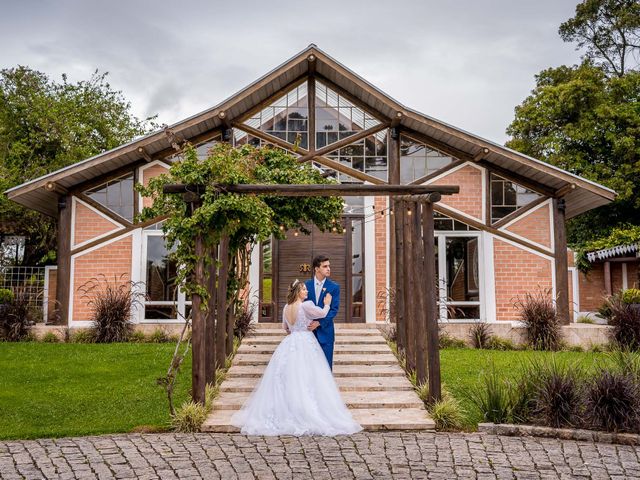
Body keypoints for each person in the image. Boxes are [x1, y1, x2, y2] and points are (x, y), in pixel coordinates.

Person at [231, 280, 361, 436]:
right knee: (308, 377)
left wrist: (295, 332)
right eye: (304, 289)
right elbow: (323, 314)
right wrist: (327, 303)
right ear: (298, 292)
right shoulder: (306, 305)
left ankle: (288, 410)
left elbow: (285, 328)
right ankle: (307, 412)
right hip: (306, 342)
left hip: (290, 342)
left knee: (288, 378)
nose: (307, 291)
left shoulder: (286, 307)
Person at [305, 254, 339, 369]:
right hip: (308, 333)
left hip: (326, 332)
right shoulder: (306, 286)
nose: (328, 269)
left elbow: (334, 310)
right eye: (325, 266)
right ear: (316, 269)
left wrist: (319, 323)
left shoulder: (334, 287)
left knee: (325, 366)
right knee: (309, 366)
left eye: (329, 266)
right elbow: (301, 307)